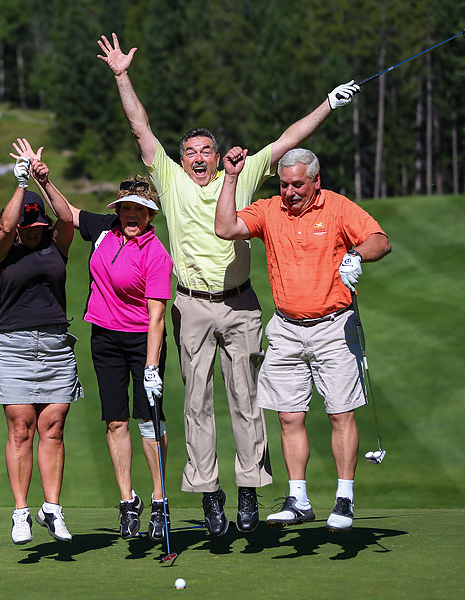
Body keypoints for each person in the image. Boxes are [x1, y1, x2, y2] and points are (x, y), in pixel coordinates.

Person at [97, 31, 361, 535]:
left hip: (240, 304)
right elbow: (139, 127)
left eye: (206, 150)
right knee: (196, 404)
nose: (198, 157)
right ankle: (210, 495)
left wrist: (328, 103)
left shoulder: (238, 175)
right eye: (190, 150)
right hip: (191, 305)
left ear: (218, 157)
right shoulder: (170, 180)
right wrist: (122, 76)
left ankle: (247, 492)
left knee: (246, 400)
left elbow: (289, 140)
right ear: (181, 158)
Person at [214, 146, 391, 532]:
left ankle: (344, 497)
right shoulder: (268, 210)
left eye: (298, 184)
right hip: (287, 328)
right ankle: (299, 498)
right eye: (284, 185)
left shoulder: (338, 208)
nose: (290, 192)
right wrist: (229, 178)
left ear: (316, 181)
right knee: (289, 415)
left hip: (334, 325)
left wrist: (357, 255)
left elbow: (380, 239)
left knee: (340, 412)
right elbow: (225, 228)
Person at [29, 155, 174, 541]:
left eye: (138, 210)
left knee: (149, 423)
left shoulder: (157, 254)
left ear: (149, 215)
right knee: (115, 421)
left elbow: (157, 316)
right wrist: (43, 180)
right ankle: (128, 501)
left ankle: (159, 500)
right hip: (105, 338)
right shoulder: (105, 230)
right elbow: (69, 213)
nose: (130, 215)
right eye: (125, 208)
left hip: (144, 341)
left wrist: (151, 366)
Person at [0, 139, 83, 545]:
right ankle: (21, 512)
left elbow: (68, 220)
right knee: (21, 428)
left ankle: (53, 510)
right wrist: (20, 184)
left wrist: (44, 179)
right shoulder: (4, 252)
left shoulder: (56, 245)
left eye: (39, 227)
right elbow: (5, 228)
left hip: (56, 345)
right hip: (13, 346)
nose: (36, 232)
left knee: (53, 427)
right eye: (30, 228)